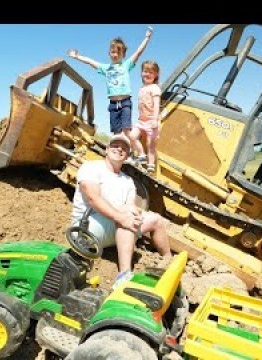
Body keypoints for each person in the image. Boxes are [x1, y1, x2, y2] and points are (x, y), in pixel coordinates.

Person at [70, 133, 172, 289]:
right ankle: (123, 276)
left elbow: (131, 206)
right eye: (115, 145)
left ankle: (168, 260)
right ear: (107, 149)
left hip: (114, 228)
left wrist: (135, 214)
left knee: (155, 220)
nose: (119, 149)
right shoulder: (91, 167)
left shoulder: (128, 180)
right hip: (87, 229)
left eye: (124, 148)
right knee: (125, 218)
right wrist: (123, 217)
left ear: (127, 156)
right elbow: (93, 199)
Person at [67, 26, 154, 142]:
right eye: (113, 52)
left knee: (126, 130)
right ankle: (119, 152)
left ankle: (137, 148)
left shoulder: (126, 65)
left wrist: (147, 38)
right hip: (113, 104)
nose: (115, 55)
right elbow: (90, 62)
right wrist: (77, 57)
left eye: (119, 52)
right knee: (116, 132)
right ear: (109, 53)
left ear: (123, 54)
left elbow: (138, 52)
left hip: (125, 103)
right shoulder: (106, 68)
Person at [129, 60, 162, 173]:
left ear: (156, 74)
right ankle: (141, 154)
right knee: (132, 136)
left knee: (150, 144)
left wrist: (155, 119)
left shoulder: (155, 88)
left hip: (151, 121)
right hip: (141, 120)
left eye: (151, 72)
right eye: (145, 71)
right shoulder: (142, 89)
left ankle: (151, 165)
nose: (147, 74)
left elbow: (157, 105)